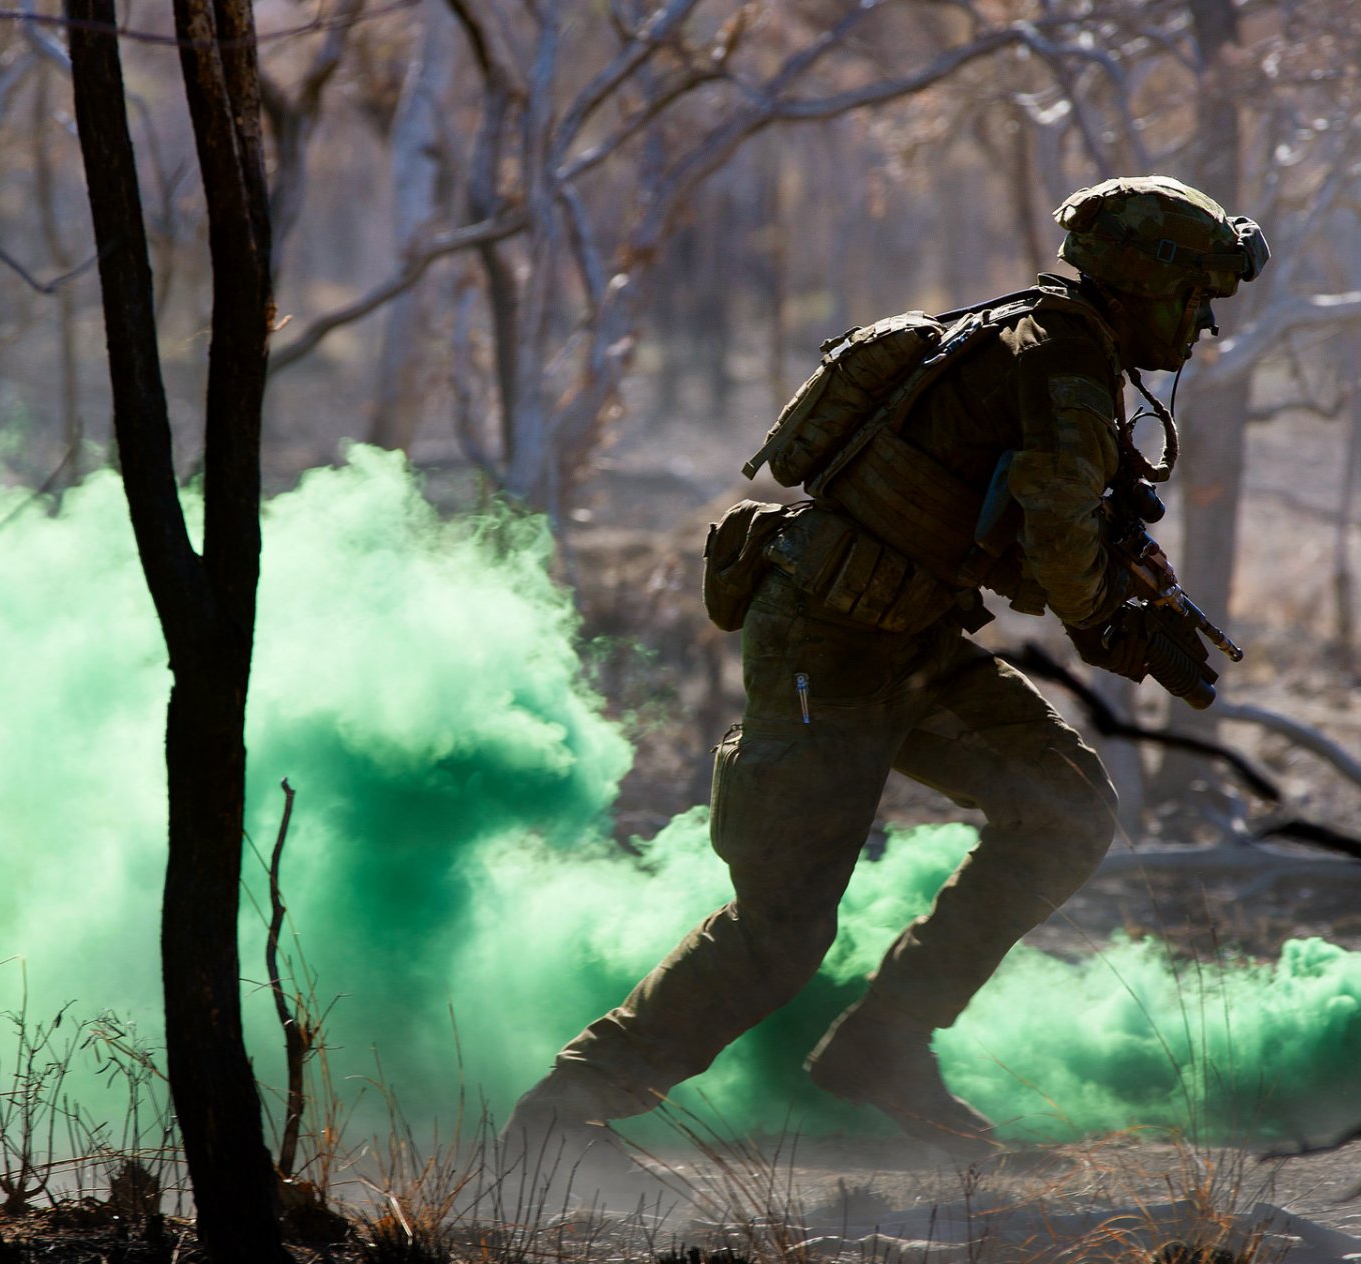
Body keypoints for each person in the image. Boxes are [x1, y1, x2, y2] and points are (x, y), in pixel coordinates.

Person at [509, 176, 1269, 1157]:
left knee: (1067, 808)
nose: (1203, 323)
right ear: (1142, 279)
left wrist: (1131, 587)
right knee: (782, 931)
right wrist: (1111, 625)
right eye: (1195, 295)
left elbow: (1038, 513)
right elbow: (1057, 527)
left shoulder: (1040, 342)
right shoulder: (1065, 358)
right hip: (826, 647)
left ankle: (884, 1044)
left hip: (898, 641)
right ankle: (566, 1107)